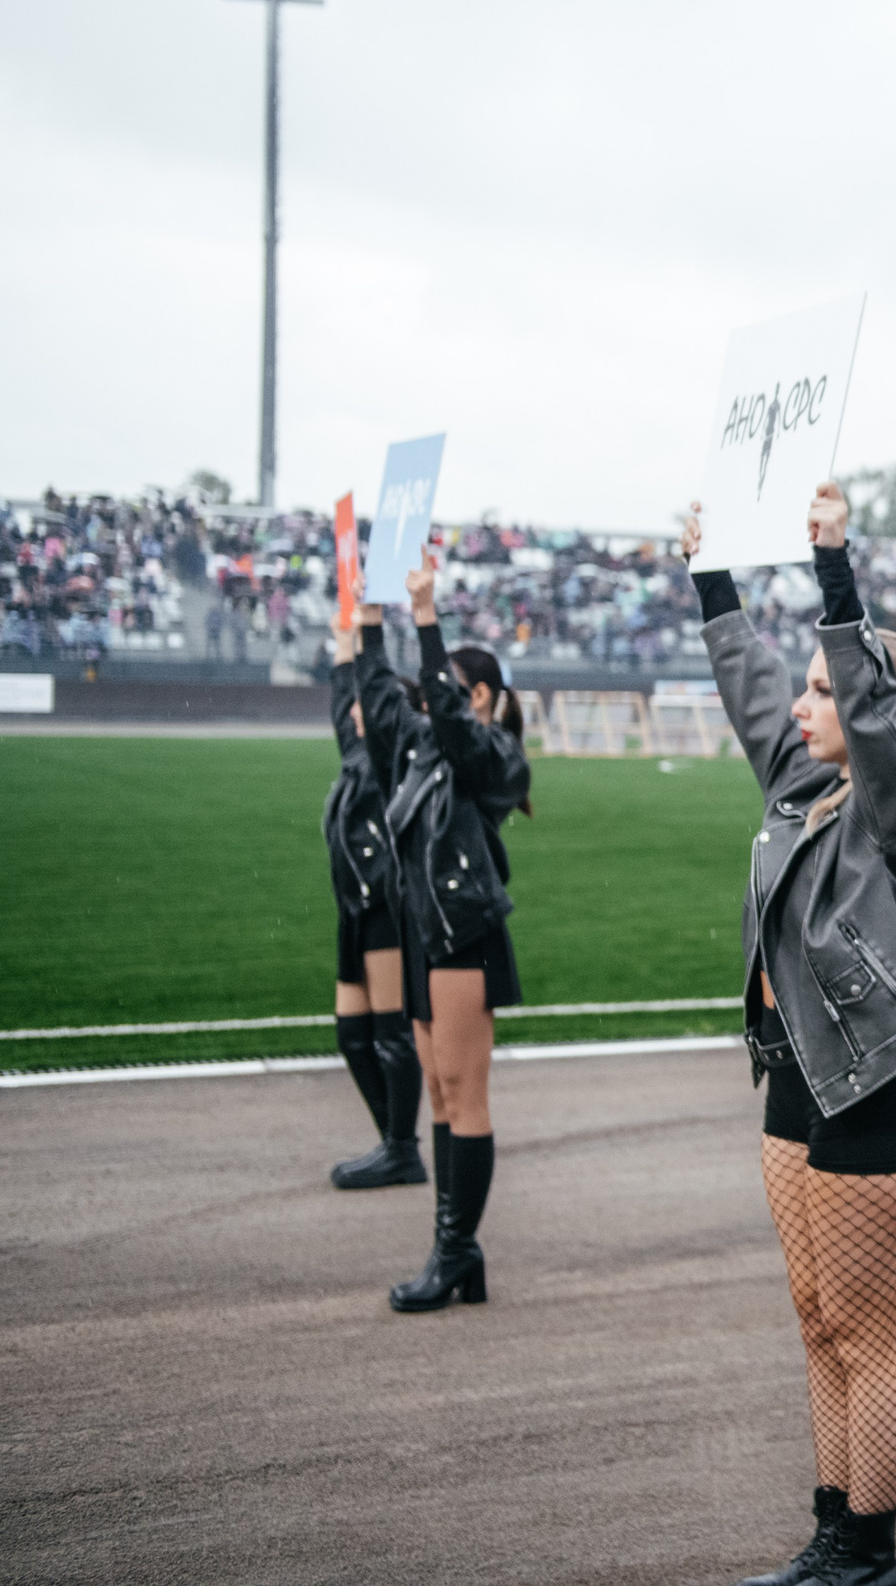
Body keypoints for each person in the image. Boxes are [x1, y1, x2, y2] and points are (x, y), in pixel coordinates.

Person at [684, 481, 896, 1586]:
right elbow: (745, 680)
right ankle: (829, 1540)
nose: (803, 703)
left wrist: (832, 568)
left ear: (872, 712)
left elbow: (860, 700)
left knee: (866, 1330)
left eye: (824, 689)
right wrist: (711, 573)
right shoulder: (801, 787)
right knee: (816, 1321)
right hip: (795, 1086)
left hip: (873, 1099)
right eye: (804, 689)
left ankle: (868, 1555)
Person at [360, 554, 532, 1315]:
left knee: (463, 1092)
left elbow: (453, 722)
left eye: (451, 695)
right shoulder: (426, 750)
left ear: (482, 696)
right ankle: (452, 1247)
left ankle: (456, 1248)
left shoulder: (490, 754)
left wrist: (426, 619)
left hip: (466, 935)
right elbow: (382, 708)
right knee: (438, 1089)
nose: (433, 706)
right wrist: (369, 626)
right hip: (429, 933)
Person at [321, 604, 425, 1190]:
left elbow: (369, 694)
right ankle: (392, 1138)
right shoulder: (355, 752)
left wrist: (367, 633)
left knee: (390, 1034)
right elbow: (344, 694)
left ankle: (402, 1146)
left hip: (385, 906)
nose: (355, 708)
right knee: (352, 1035)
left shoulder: (390, 758)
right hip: (353, 910)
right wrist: (345, 631)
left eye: (367, 701)